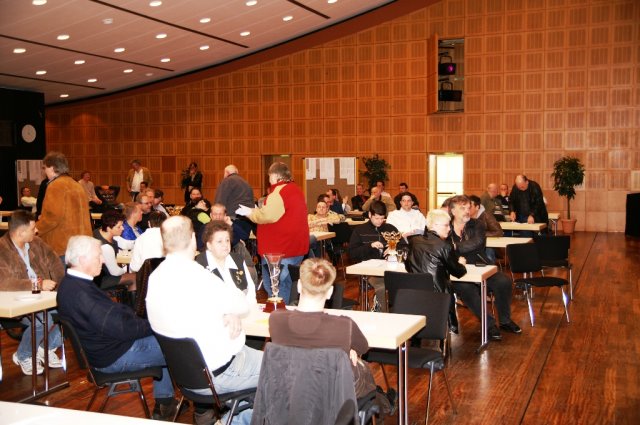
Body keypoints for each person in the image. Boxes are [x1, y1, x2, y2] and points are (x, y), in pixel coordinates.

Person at [146, 216, 262, 425]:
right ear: (193, 239)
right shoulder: (199, 276)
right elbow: (242, 305)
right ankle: (236, 420)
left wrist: (225, 312)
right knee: (283, 368)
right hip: (220, 372)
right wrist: (229, 311)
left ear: (164, 243)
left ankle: (238, 413)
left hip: (185, 376)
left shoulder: (155, 278)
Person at [57, 235, 179, 420]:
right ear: (82, 260)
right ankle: (202, 407)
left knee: (166, 337)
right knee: (181, 346)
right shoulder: (82, 293)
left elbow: (116, 320)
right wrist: (155, 324)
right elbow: (123, 328)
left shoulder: (71, 284)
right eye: (98, 256)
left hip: (106, 349)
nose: (103, 260)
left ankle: (165, 403)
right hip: (113, 356)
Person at [268, 258, 392, 414]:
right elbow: (363, 347)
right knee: (361, 368)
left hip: (290, 390)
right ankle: (383, 404)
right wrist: (350, 348)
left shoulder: (276, 320)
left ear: (298, 286)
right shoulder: (344, 325)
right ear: (330, 293)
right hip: (334, 394)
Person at [448, 195, 521, 340]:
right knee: (466, 288)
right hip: (456, 271)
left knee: (504, 281)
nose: (467, 211)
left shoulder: (478, 224)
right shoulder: (445, 226)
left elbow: (476, 243)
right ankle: (489, 324)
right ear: (452, 211)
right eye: (462, 208)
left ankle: (505, 321)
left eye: (468, 207)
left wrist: (453, 246)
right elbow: (439, 246)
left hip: (480, 265)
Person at [0, 210, 64, 375]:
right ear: (20, 232)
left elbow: (56, 264)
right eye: (33, 228)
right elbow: (4, 282)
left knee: (72, 311)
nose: (37, 231)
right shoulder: (2, 249)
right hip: (16, 303)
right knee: (43, 321)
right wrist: (38, 284)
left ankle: (45, 348)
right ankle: (23, 355)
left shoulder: (37, 243)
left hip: (43, 299)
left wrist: (65, 288)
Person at [235, 162, 309, 305]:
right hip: (294, 248)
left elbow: (266, 216)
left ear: (274, 176)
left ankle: (279, 314)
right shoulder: (295, 189)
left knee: (275, 288)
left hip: (279, 250)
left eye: (269, 176)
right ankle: (286, 313)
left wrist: (250, 212)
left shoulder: (279, 193)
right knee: (287, 285)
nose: (269, 179)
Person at [405, 209, 466, 333]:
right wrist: (462, 264)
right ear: (434, 225)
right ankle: (449, 329)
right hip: (439, 294)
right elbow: (458, 272)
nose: (449, 229)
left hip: (414, 292)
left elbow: (408, 265)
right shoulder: (444, 246)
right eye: (446, 225)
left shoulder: (414, 241)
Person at [348, 200, 401, 311]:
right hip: (370, 272)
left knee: (404, 284)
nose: (380, 221)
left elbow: (404, 247)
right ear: (369, 215)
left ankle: (395, 310)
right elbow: (352, 253)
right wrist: (370, 246)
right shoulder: (359, 230)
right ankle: (385, 314)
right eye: (376, 218)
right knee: (383, 287)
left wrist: (393, 249)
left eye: (382, 218)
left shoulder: (390, 228)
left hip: (391, 270)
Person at [37, 151, 92, 256]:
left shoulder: (55, 185)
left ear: (52, 168)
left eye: (45, 168)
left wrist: (35, 229)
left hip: (62, 245)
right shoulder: (76, 185)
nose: (44, 171)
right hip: (80, 244)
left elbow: (52, 217)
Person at [195, 220, 257, 305]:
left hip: (242, 309)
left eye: (227, 240)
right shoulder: (199, 265)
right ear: (209, 245)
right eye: (219, 241)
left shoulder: (238, 260)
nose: (225, 244)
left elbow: (250, 292)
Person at [209, 204, 258, 285]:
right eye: (215, 214)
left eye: (220, 214)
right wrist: (236, 240)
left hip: (236, 257)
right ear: (211, 215)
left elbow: (245, 236)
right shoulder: (205, 228)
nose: (218, 217)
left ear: (225, 215)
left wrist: (230, 223)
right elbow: (201, 245)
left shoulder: (231, 226)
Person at [93, 208, 135, 290]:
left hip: (101, 274)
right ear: (109, 228)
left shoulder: (99, 231)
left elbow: (124, 245)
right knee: (134, 277)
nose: (123, 228)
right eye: (119, 227)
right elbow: (115, 272)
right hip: (100, 280)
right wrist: (128, 269)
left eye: (122, 225)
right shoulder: (106, 247)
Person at [468, 195, 503, 264]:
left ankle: (490, 270)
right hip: (472, 245)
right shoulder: (465, 217)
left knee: (488, 255)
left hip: (487, 245)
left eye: (470, 207)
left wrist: (480, 234)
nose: (467, 209)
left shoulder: (487, 215)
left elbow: (499, 232)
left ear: (477, 207)